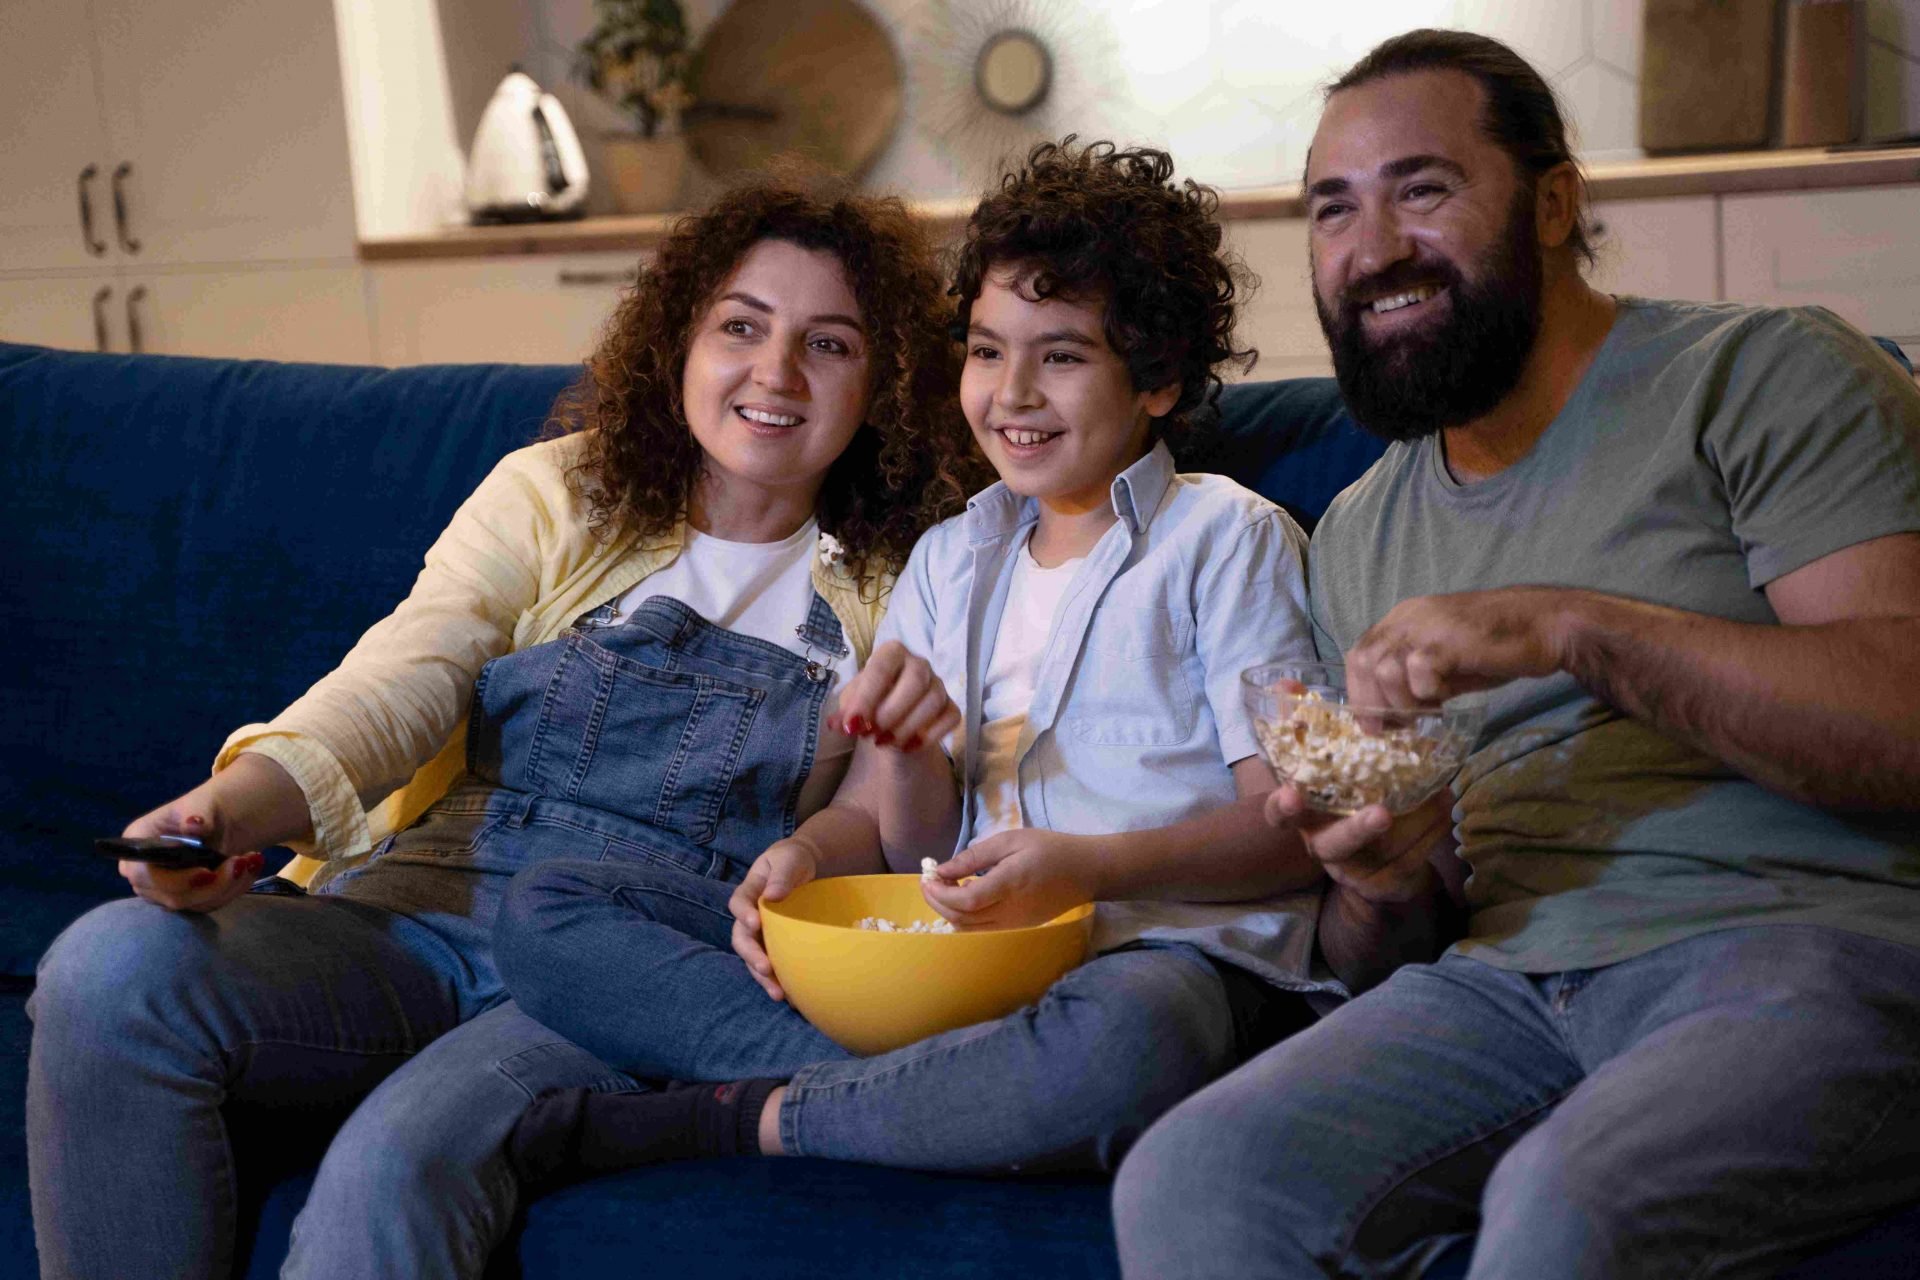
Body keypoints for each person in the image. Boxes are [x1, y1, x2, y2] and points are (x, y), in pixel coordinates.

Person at [26, 178, 986, 1279]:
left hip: (630, 958)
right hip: (415, 912)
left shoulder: (912, 567)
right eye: (741, 326)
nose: (773, 373)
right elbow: (396, 683)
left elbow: (890, 829)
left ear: (888, 381)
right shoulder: (555, 493)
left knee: (396, 1156)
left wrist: (852, 807)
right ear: (682, 337)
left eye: (829, 343)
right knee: (109, 963)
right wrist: (220, 814)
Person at [1113, 28, 1920, 1280]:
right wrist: (1384, 873)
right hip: (1504, 982)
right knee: (1194, 1179)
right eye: (1334, 210)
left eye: (1422, 190)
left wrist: (1574, 626)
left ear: (1554, 203)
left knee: (1566, 1205)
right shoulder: (1362, 532)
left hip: (1807, 945)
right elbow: (1389, 938)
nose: (1372, 248)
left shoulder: (1762, 377)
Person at [490, 138, 1454, 1185]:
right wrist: (812, 855)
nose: (1014, 392)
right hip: (957, 952)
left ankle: (743, 1114)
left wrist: (1083, 865)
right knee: (551, 907)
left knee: (1132, 1039)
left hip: (1151, 956)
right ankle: (951, 1089)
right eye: (988, 351)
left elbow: (1285, 836)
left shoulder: (1226, 538)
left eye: (1064, 355)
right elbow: (889, 831)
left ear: (1162, 379)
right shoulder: (952, 557)